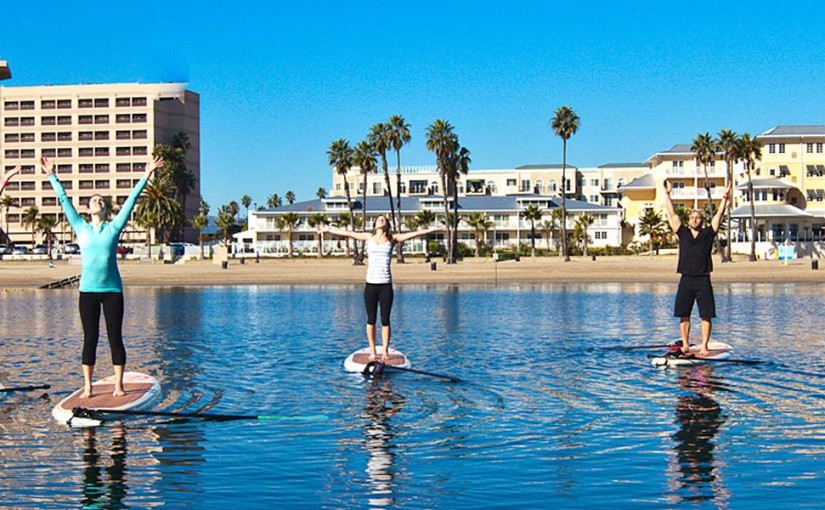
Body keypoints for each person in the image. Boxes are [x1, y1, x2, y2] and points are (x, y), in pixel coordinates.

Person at [41, 155, 164, 398]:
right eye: (93, 200)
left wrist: (147, 174)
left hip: (112, 292)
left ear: (105, 209)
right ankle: (88, 387)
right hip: (87, 291)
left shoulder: (113, 227)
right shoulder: (80, 227)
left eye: (101, 200)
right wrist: (52, 176)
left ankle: (119, 384)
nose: (97, 201)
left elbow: (131, 200)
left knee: (115, 338)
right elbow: (64, 200)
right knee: (90, 339)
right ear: (88, 209)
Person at [323, 214, 445, 361]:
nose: (381, 220)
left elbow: (414, 233)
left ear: (387, 225)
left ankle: (385, 351)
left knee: (385, 320)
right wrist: (328, 229)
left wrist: (434, 229)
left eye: (384, 220)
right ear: (375, 224)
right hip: (370, 285)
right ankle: (373, 351)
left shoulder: (392, 239)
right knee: (371, 320)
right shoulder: (369, 237)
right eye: (379, 219)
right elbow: (349, 233)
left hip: (386, 285)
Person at [662, 179, 731, 357]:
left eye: (698, 217)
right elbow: (672, 214)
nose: (694, 220)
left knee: (706, 315)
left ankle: (704, 346)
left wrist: (725, 196)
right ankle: (685, 344)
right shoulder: (682, 232)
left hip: (703, 280)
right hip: (686, 279)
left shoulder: (708, 233)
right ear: (689, 220)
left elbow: (719, 215)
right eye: (692, 218)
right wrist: (667, 195)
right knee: (683, 314)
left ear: (701, 220)